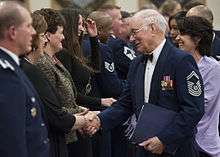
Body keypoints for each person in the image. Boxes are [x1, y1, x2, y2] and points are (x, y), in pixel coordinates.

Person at [87, 9, 205, 157]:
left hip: (176, 149)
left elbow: (194, 109)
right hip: (144, 148)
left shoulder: (180, 61)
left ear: (153, 29)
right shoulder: (137, 63)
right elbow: (125, 103)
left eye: (135, 32)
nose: (131, 38)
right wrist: (99, 120)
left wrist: (164, 140)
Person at [20, 11, 87, 157]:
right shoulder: (35, 66)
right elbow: (52, 112)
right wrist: (85, 118)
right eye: (42, 36)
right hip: (54, 138)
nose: (44, 40)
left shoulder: (35, 64)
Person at [0, 1, 49, 157]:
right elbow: (11, 140)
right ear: (13, 32)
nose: (34, 32)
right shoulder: (5, 73)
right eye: (28, 26)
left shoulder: (13, 66)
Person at [176, 16, 220, 157]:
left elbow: (201, 105)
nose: (177, 38)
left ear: (197, 38)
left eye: (182, 33)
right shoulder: (178, 64)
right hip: (179, 142)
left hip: (203, 145)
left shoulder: (212, 67)